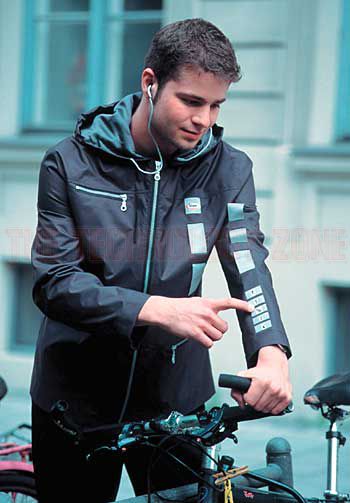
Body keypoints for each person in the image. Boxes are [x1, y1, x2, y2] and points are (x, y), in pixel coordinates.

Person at [30, 18, 292, 503]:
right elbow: (55, 283)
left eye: (216, 105)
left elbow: (249, 265)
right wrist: (156, 308)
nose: (205, 120)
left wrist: (270, 352)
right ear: (150, 83)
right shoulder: (69, 162)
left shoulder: (228, 169)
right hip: (74, 404)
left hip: (177, 405)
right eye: (191, 101)